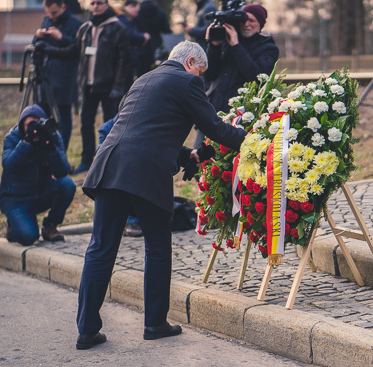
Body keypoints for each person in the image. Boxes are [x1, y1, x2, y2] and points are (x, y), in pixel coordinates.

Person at [74, 41, 246, 350]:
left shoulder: (143, 79)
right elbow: (217, 128)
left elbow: (139, 131)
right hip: (144, 175)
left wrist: (187, 155)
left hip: (110, 166)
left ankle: (86, 330)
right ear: (191, 61)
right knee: (156, 246)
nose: (202, 78)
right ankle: (154, 323)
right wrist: (255, 140)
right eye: (201, 70)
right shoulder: (187, 81)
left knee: (100, 248)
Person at [46, 0, 131, 175]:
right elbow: (73, 51)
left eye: (99, 3)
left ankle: (110, 161)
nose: (95, 7)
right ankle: (87, 161)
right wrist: (47, 50)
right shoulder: (85, 29)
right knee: (85, 123)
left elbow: (124, 61)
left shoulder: (118, 28)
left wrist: (118, 87)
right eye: (92, 3)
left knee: (111, 125)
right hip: (88, 85)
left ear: (106, 5)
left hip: (109, 87)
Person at [196, 3, 278, 148]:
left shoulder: (268, 48)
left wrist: (236, 45)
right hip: (213, 111)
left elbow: (256, 76)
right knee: (199, 157)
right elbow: (209, 75)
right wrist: (213, 45)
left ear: (260, 24)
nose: (246, 24)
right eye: (243, 20)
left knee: (226, 163)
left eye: (252, 20)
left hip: (240, 115)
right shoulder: (225, 40)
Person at [0, 105, 76, 246]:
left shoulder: (53, 136)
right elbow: (9, 166)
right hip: (16, 199)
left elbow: (62, 171)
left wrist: (51, 149)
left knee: (67, 185)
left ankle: (50, 226)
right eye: (29, 125)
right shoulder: (12, 138)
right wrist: (27, 142)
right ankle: (13, 223)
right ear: (22, 125)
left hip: (40, 193)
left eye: (37, 123)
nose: (35, 129)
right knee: (28, 237)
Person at [34, 0, 82, 153]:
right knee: (43, 115)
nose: (51, 16)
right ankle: (44, 151)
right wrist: (37, 37)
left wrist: (61, 37)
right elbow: (38, 47)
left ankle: (61, 152)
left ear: (63, 7)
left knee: (63, 117)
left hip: (65, 78)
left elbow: (77, 49)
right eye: (48, 13)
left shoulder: (75, 24)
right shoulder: (46, 20)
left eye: (54, 12)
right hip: (46, 76)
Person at [116, 0, 150, 90]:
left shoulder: (128, 20)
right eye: (136, 11)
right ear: (130, 6)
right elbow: (129, 34)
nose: (137, 14)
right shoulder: (121, 20)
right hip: (122, 62)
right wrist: (143, 37)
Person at [134, 0, 171, 77]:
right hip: (155, 51)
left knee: (140, 78)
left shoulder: (136, 13)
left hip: (139, 49)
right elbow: (167, 32)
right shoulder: (161, 13)